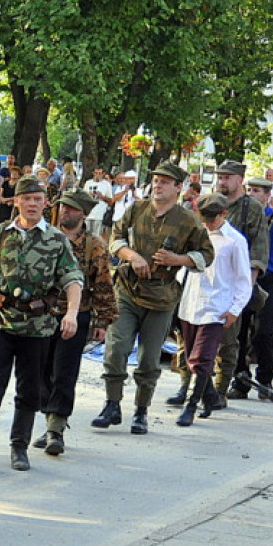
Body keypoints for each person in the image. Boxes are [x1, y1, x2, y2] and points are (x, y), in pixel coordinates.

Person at [0, 175, 83, 472]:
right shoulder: (2, 233)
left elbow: (73, 279)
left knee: (29, 390)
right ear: (16, 202)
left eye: (37, 200)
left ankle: (19, 448)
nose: (32, 204)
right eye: (26, 199)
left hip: (37, 326)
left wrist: (71, 314)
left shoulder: (56, 240)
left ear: (45, 204)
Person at [91, 161, 214, 435]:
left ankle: (141, 411)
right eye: (156, 180)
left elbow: (206, 254)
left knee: (148, 359)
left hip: (161, 297)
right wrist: (132, 256)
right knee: (116, 348)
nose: (158, 185)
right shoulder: (136, 209)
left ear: (178, 188)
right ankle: (112, 404)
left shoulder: (188, 220)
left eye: (165, 182)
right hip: (127, 290)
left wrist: (179, 259)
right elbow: (116, 238)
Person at [33, 190, 117, 455]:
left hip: (77, 314)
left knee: (64, 372)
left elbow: (103, 283)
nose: (64, 212)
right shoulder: (45, 236)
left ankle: (56, 428)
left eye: (71, 209)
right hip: (44, 314)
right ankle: (49, 420)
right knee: (41, 371)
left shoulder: (94, 245)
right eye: (62, 207)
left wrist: (102, 320)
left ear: (83, 214)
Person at [169, 194, 252, 427]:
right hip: (190, 302)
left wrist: (235, 308)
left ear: (223, 215)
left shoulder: (235, 241)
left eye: (211, 219)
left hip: (217, 305)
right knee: (190, 357)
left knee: (203, 359)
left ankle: (191, 406)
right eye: (203, 218)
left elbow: (244, 280)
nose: (207, 223)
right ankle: (210, 397)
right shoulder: (196, 234)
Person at [230, 177, 273, 397]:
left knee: (263, 331)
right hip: (240, 277)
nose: (252, 193)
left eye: (257, 190)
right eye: (249, 189)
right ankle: (239, 380)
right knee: (238, 331)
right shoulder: (239, 214)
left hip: (267, 278)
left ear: (268, 194)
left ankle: (265, 380)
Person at [209, 160, 268, 406]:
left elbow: (258, 249)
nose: (222, 181)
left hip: (236, 283)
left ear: (239, 180)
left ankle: (228, 386)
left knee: (234, 339)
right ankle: (196, 386)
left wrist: (246, 289)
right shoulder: (211, 203)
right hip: (210, 281)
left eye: (227, 177)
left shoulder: (251, 208)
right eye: (220, 177)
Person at [83, 166, 113, 236]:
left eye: (100, 173)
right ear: (93, 173)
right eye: (96, 173)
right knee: (86, 236)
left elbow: (111, 201)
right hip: (88, 214)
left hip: (99, 215)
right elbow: (83, 198)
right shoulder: (88, 183)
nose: (98, 175)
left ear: (103, 174)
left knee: (96, 237)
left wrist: (102, 197)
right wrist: (88, 195)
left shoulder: (106, 184)